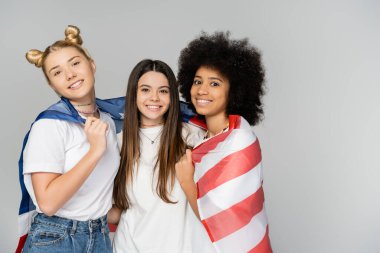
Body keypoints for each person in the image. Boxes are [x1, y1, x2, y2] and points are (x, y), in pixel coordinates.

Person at [17, 25, 124, 253]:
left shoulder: (110, 120)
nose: (70, 74)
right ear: (51, 84)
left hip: (100, 237)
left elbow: (97, 198)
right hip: (55, 238)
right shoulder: (50, 125)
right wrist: (94, 151)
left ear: (92, 65)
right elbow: (48, 203)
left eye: (75, 63)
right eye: (57, 72)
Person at [175, 31, 273, 253]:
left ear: (234, 91)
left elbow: (224, 220)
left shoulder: (239, 142)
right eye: (197, 81)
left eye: (215, 84)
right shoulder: (196, 136)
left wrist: (187, 181)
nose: (202, 90)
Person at [111, 59, 205, 253]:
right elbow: (115, 211)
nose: (154, 97)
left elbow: (211, 205)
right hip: (129, 247)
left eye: (163, 91)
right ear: (133, 94)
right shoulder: (117, 142)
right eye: (145, 90)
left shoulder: (192, 136)